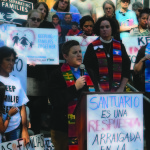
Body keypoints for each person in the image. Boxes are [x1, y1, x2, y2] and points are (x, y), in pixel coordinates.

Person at [49, 40, 99, 150]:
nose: (79, 55)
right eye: (75, 52)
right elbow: (55, 100)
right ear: (65, 56)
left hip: (87, 126)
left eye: (80, 51)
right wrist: (75, 88)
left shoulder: (89, 72)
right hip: (64, 128)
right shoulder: (56, 74)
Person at [83, 17, 131, 92]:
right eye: (102, 27)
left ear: (112, 28)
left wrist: (121, 88)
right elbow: (88, 68)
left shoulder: (120, 46)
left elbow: (126, 67)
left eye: (107, 27)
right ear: (98, 30)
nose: (104, 29)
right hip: (99, 91)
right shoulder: (92, 47)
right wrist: (98, 87)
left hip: (118, 91)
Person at [26, 9, 49, 134]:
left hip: (39, 80)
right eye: (33, 19)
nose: (35, 22)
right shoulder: (19, 33)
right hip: (23, 78)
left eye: (38, 20)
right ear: (28, 19)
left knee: (36, 115)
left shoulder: (45, 37)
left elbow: (49, 57)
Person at [0, 46, 29, 145]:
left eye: (13, 60)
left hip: (14, 127)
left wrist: (24, 130)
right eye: (7, 59)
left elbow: (22, 106)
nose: (11, 63)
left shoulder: (16, 81)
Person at [134, 42, 150, 150]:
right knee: (149, 124)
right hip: (147, 92)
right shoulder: (144, 49)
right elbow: (136, 70)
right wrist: (143, 59)